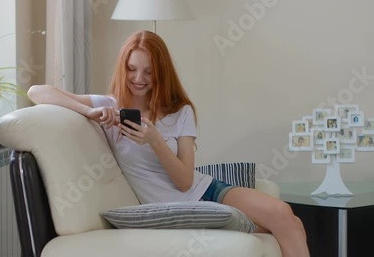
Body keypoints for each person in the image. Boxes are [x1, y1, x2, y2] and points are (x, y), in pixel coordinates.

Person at [27, 30, 309, 257]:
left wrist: (155, 140)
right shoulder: (109, 106)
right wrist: (89, 112)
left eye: (148, 71)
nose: (139, 79)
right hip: (178, 209)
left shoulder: (181, 111)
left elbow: (187, 180)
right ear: (123, 68)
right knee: (282, 224)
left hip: (208, 190)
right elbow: (38, 91)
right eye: (132, 69)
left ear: (161, 72)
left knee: (286, 217)